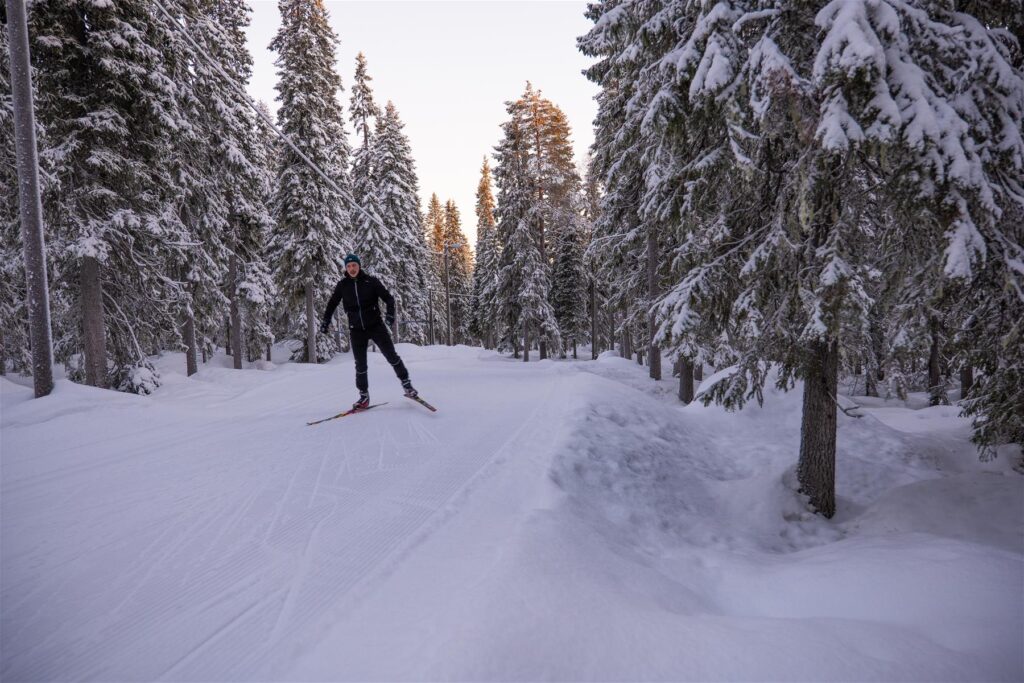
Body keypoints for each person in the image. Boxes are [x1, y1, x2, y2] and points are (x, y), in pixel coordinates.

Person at [321, 253, 417, 409]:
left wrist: (390, 317)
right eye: (349, 266)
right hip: (356, 330)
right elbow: (332, 303)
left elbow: (389, 299)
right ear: (346, 268)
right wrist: (325, 321)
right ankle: (364, 397)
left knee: (391, 356)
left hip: (376, 326)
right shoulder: (343, 285)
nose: (352, 269)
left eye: (354, 265)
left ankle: (407, 385)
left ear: (359, 266)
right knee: (360, 365)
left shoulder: (370, 282)